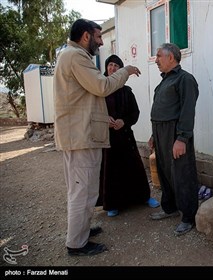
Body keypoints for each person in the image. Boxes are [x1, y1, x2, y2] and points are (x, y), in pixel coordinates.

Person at [53, 18, 141, 256]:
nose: (101, 42)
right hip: (80, 137)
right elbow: (102, 87)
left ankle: (81, 231)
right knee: (83, 191)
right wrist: (126, 71)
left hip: (80, 136)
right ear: (85, 37)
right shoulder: (76, 57)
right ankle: (76, 244)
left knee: (84, 190)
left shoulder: (71, 56)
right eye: (99, 37)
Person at [96, 55, 160, 217]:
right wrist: (105, 120)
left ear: (121, 70)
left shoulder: (126, 91)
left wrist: (124, 121)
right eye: (110, 65)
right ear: (106, 67)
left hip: (125, 136)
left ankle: (143, 198)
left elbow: (135, 113)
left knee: (134, 167)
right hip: (107, 138)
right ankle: (112, 204)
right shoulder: (99, 90)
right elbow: (93, 113)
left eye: (116, 66)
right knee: (111, 171)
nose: (113, 68)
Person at [148, 43, 199, 236]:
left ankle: (188, 217)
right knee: (164, 172)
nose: (156, 60)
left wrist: (182, 138)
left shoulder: (185, 79)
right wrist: (154, 135)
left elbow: (188, 111)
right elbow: (160, 110)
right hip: (160, 133)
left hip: (175, 133)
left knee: (182, 174)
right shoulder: (164, 81)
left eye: (159, 56)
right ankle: (169, 208)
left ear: (171, 57)